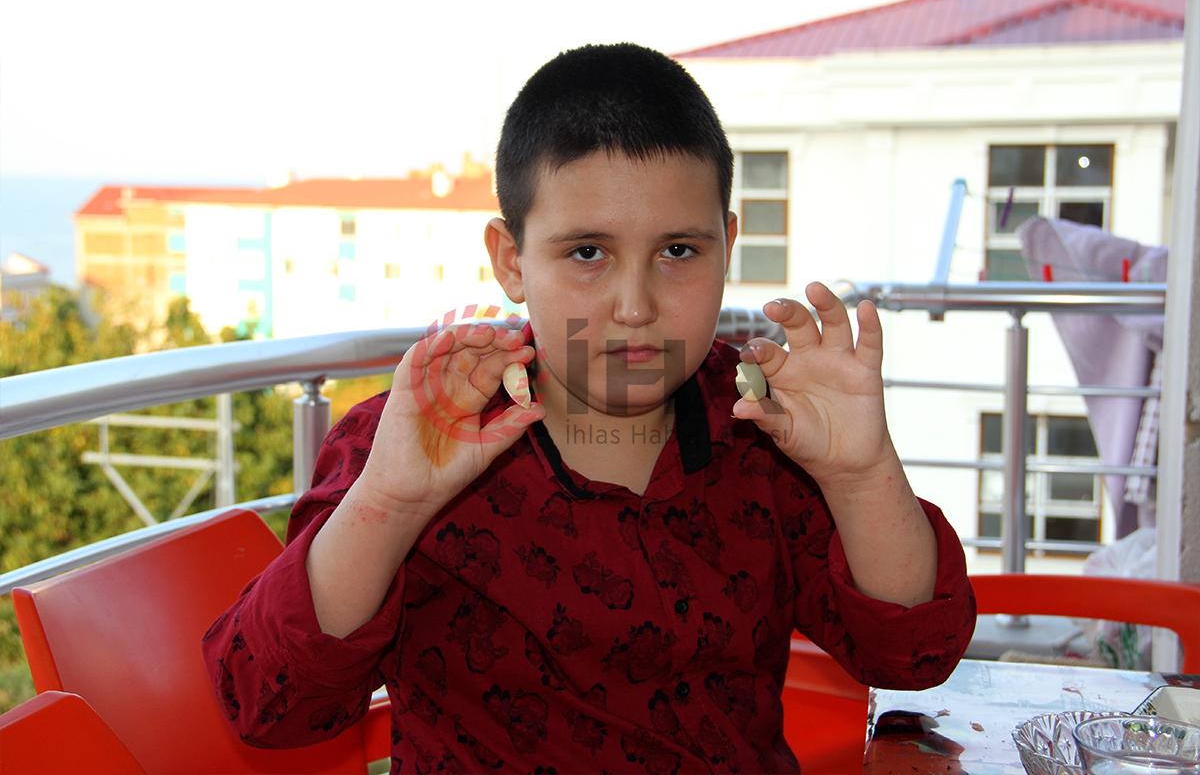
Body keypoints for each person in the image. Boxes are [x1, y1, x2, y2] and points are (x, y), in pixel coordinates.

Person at [202, 42, 975, 774]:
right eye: (587, 253)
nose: (635, 306)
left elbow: (915, 654)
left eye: (678, 251)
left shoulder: (766, 428)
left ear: (727, 244)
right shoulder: (416, 440)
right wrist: (390, 504)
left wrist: (861, 474)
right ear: (511, 260)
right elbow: (268, 701)